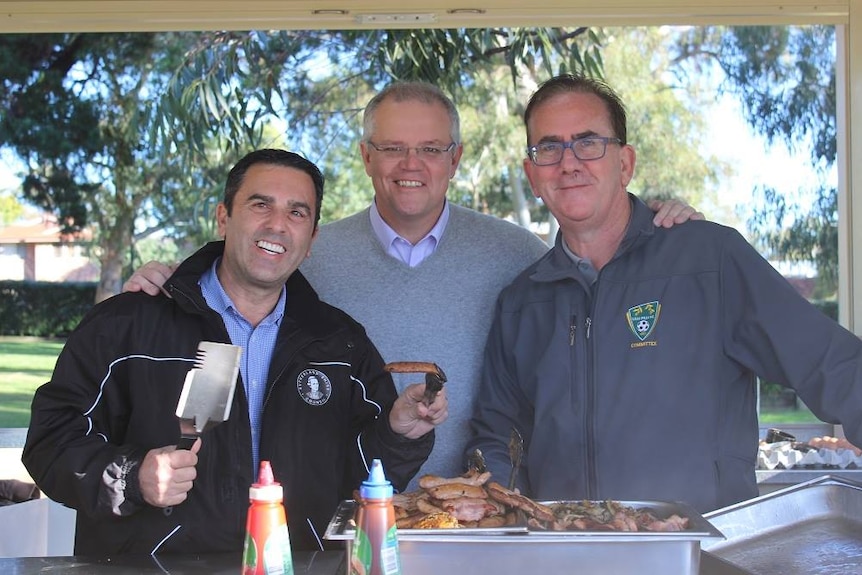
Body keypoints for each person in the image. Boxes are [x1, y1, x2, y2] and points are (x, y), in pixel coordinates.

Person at [124, 81, 701, 489]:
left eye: (430, 149)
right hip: (340, 512)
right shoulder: (306, 254)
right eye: (393, 147)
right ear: (366, 157)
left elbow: (604, 279)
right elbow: (227, 297)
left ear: (455, 158)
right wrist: (165, 281)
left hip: (480, 514)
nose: (411, 164)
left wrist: (663, 228)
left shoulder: (518, 254)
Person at [466, 74, 862, 514]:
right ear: (532, 175)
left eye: (588, 142)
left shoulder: (709, 260)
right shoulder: (522, 303)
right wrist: (500, 515)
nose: (569, 162)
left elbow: (833, 366)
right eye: (549, 147)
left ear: (625, 163)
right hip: (567, 551)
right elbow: (496, 434)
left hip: (701, 550)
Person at [22, 149, 447, 555]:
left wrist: (398, 433)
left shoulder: (341, 341)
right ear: (224, 217)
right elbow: (51, 444)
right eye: (260, 205)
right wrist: (132, 479)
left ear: (312, 237)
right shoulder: (127, 326)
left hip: (297, 565)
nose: (278, 225)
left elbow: (362, 476)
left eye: (297, 212)